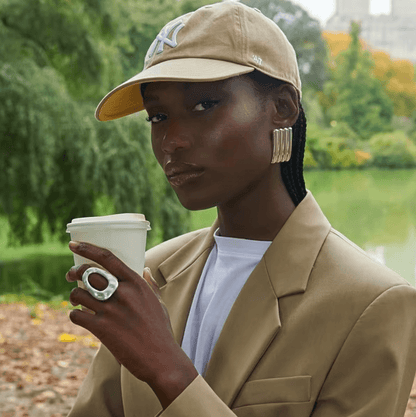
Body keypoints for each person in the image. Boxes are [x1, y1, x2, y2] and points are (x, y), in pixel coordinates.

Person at [64, 2, 416, 416]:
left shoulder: (374, 303)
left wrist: (169, 371)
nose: (171, 141)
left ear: (282, 108)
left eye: (204, 105)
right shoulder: (151, 274)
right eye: (158, 116)